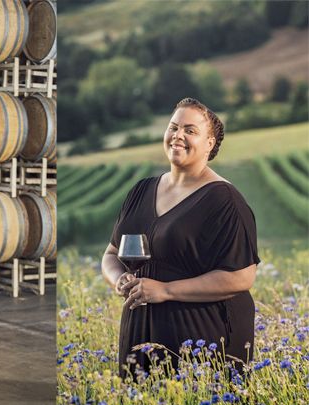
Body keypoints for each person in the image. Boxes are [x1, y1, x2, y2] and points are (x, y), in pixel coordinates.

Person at [101, 97, 259, 379]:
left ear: (210, 143)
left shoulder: (224, 200)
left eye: (190, 130)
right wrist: (119, 279)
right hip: (139, 334)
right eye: (173, 127)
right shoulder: (142, 190)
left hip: (201, 340)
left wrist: (165, 290)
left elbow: (241, 278)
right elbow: (112, 254)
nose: (178, 136)